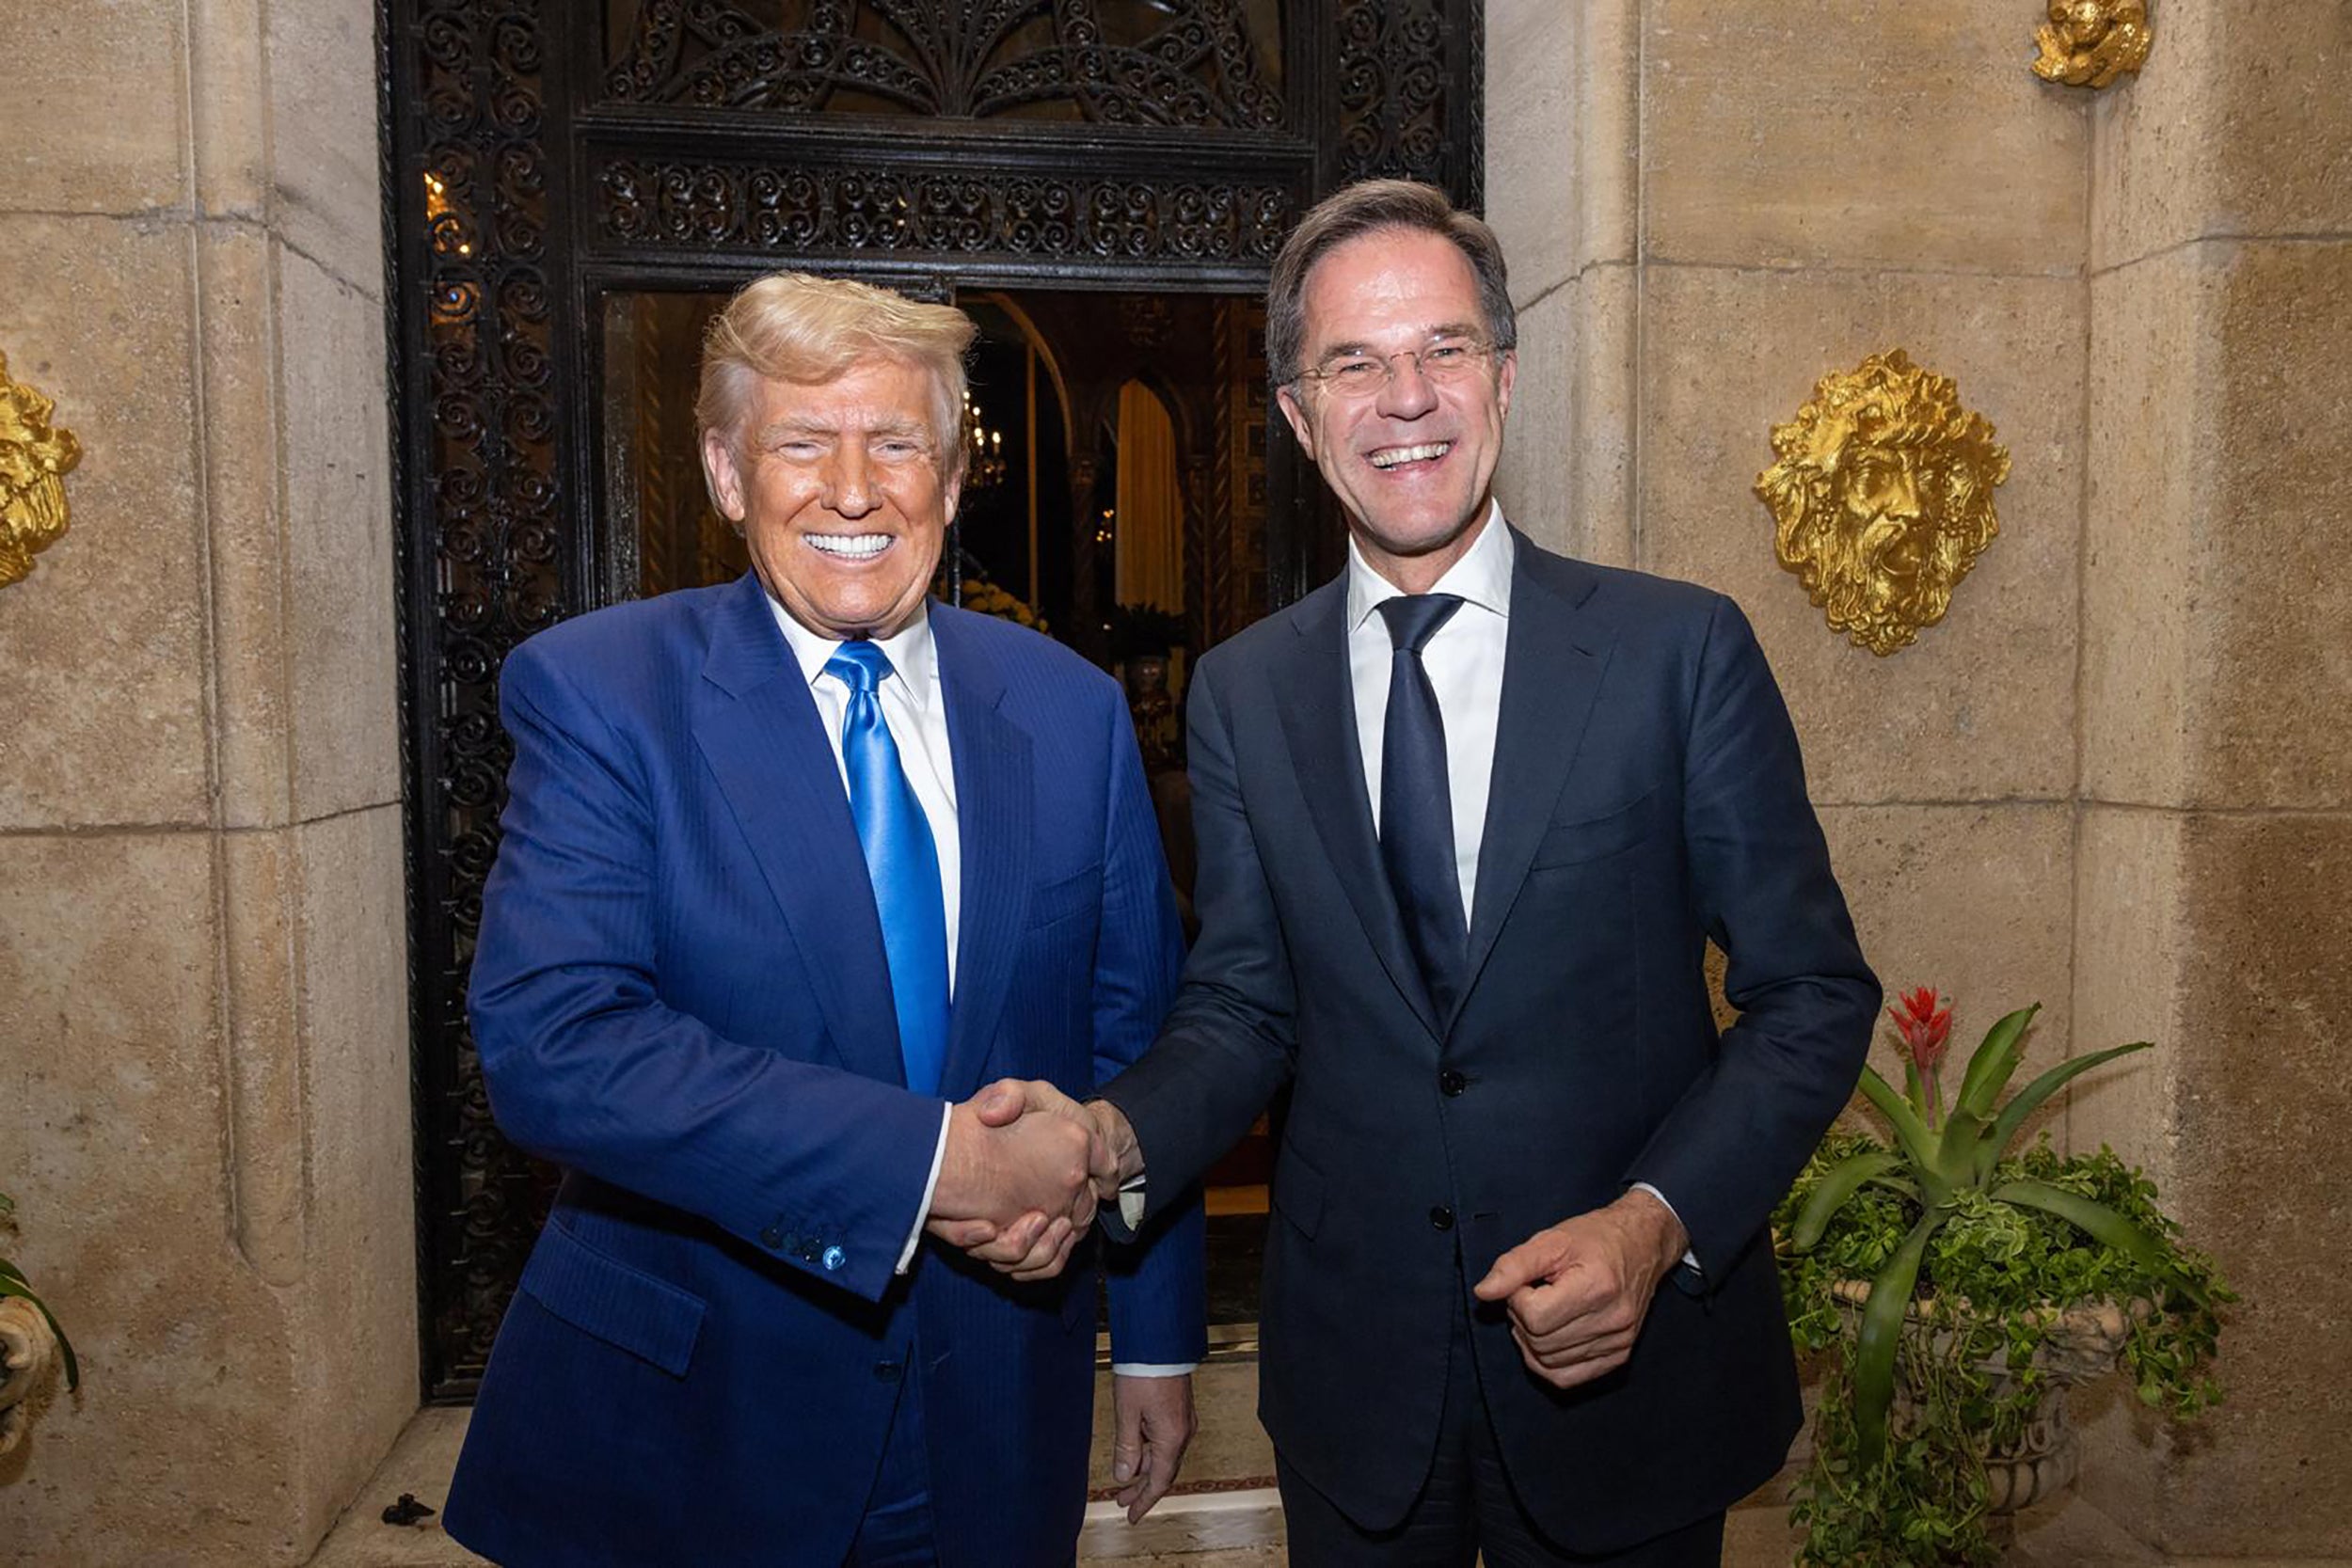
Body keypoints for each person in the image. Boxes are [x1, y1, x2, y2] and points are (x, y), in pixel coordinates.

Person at [974, 180, 1879, 1564]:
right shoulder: (1241, 692)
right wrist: (1108, 1141)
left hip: (1628, 1381)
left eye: (1444, 349)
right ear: (1297, 412)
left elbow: (1811, 992)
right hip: (1357, 1385)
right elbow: (1244, 1009)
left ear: (1503, 379)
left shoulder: (1675, 654)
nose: (1407, 397)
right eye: (1356, 361)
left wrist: (1653, 1225)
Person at [442, 272, 1204, 1568]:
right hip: (694, 1427)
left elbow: (1142, 1041)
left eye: (896, 442)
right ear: (728, 474)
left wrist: (1154, 1337)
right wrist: (935, 1168)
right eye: (802, 441)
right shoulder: (602, 692)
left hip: (992, 1412)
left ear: (954, 479)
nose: (854, 490)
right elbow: (555, 1044)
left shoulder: (1070, 711)